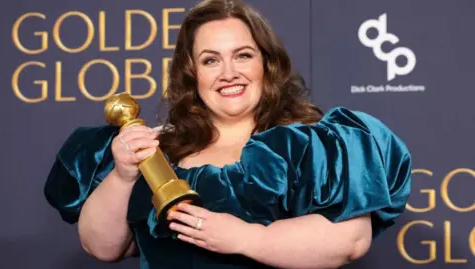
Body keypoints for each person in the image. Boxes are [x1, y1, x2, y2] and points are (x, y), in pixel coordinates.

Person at [44, 0, 412, 268]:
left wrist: (247, 238)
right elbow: (103, 248)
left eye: (243, 55)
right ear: (192, 74)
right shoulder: (158, 151)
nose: (228, 73)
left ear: (267, 64)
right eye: (210, 60)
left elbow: (350, 240)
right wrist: (124, 176)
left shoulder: (313, 145)